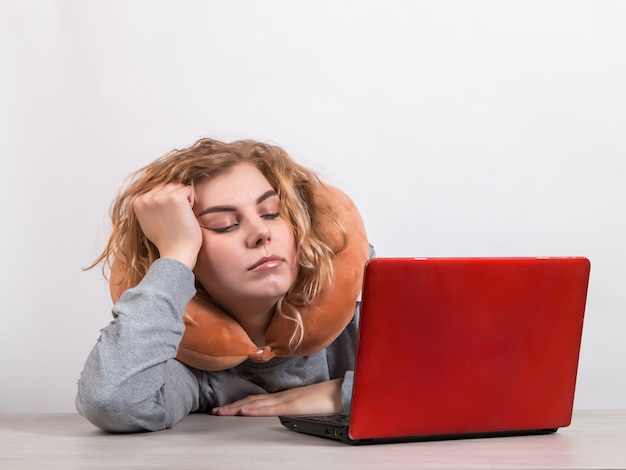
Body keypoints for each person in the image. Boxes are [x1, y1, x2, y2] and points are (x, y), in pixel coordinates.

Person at [76, 137, 372, 433]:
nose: (260, 232)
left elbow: (420, 385)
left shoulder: (363, 324)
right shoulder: (194, 367)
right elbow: (111, 401)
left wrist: (345, 393)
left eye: (271, 212)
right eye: (225, 224)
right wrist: (176, 255)